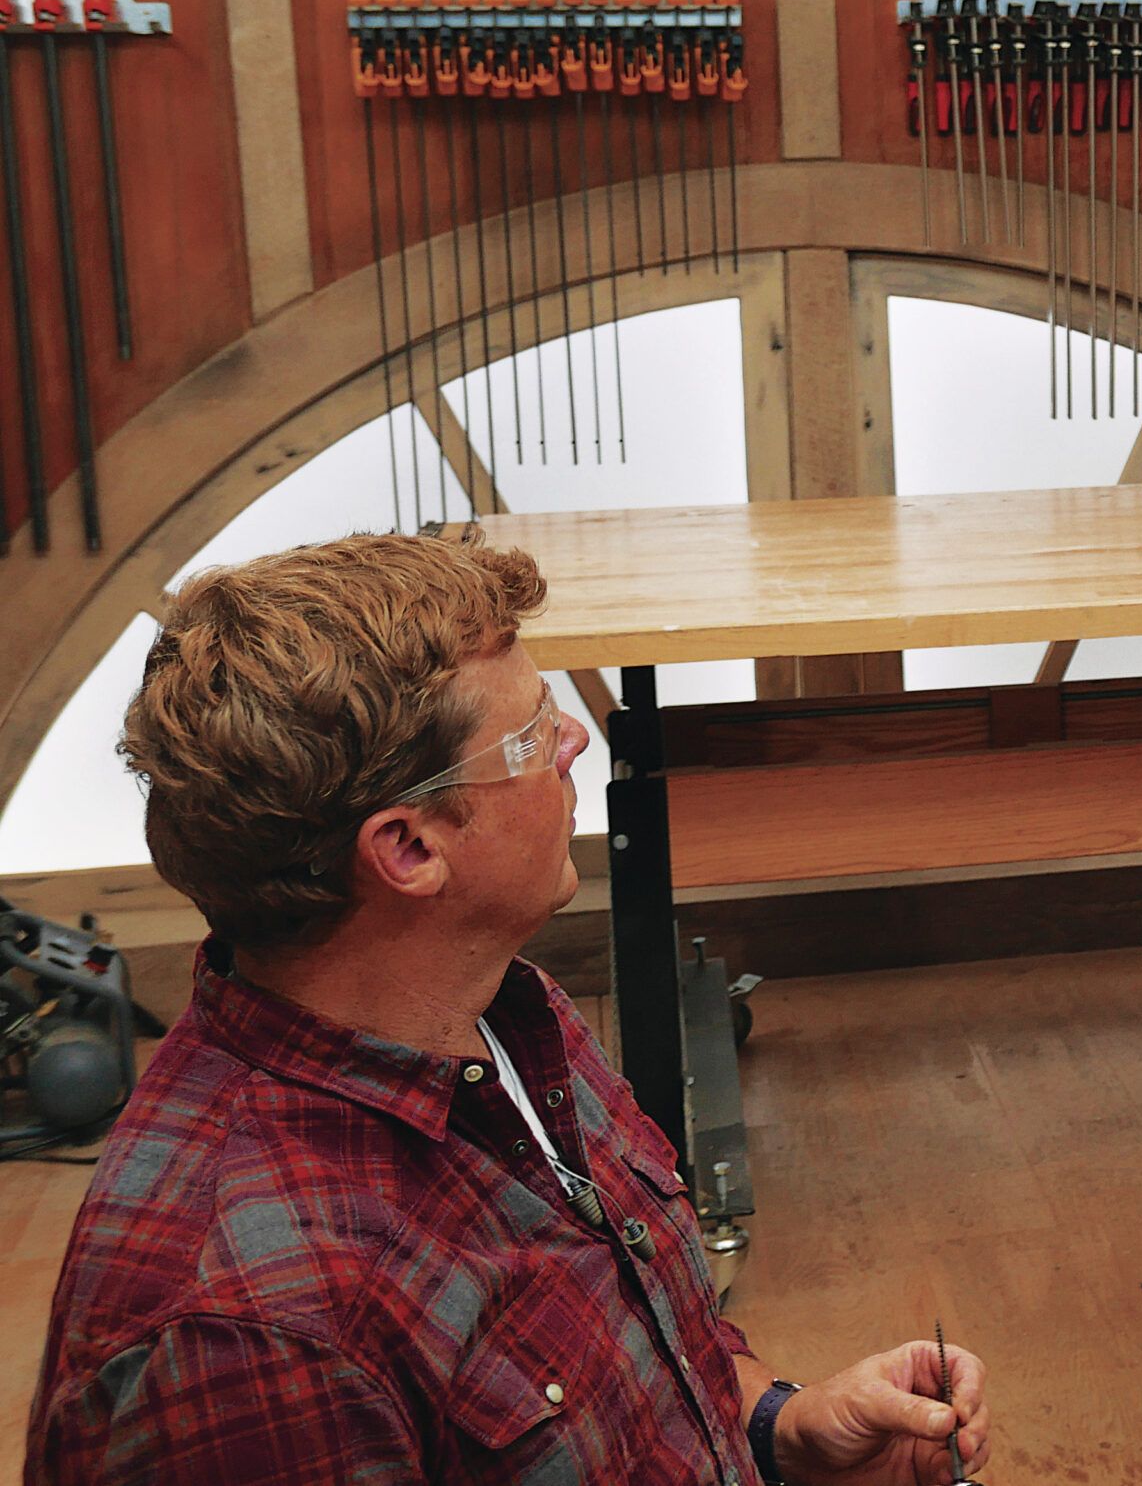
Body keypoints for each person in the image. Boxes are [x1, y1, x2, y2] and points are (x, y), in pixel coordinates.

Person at [26, 534, 991, 1486]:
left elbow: (628, 1369)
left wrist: (782, 1428)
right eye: (532, 735)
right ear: (408, 849)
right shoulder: (248, 1341)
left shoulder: (492, 1012)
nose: (575, 739)